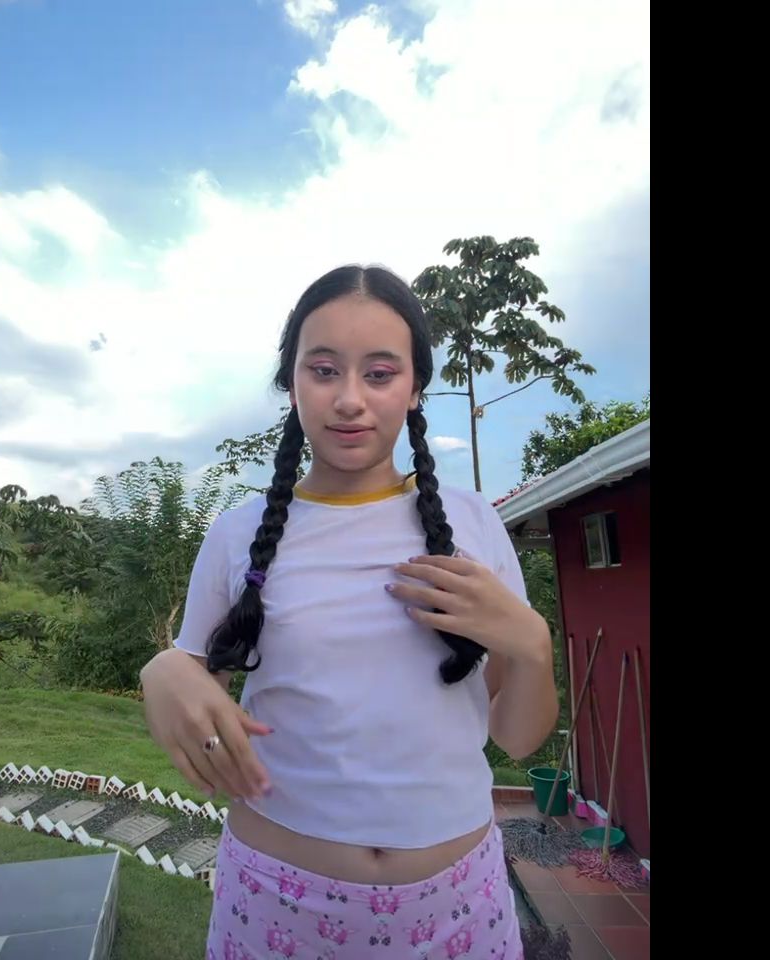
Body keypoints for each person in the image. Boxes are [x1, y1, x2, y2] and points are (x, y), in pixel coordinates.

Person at [141, 265, 558, 959]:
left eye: (380, 373)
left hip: (458, 904)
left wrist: (534, 646)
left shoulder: (475, 526)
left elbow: (516, 738)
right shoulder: (238, 534)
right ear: (292, 382)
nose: (349, 400)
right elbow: (197, 690)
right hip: (276, 903)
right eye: (324, 370)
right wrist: (164, 670)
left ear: (416, 387)